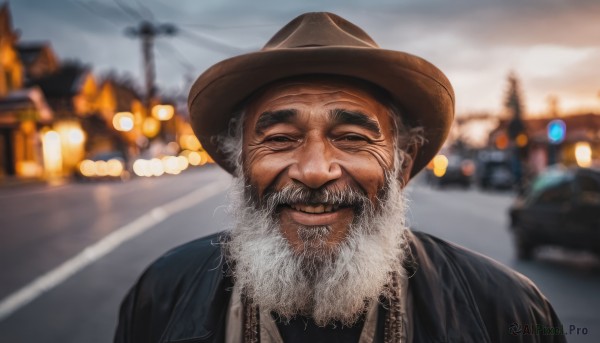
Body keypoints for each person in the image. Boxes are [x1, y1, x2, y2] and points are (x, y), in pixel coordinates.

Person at [114, 12, 565, 343]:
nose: (314, 171)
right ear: (240, 162)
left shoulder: (505, 310)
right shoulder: (164, 295)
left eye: (350, 138)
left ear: (403, 163)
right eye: (280, 139)